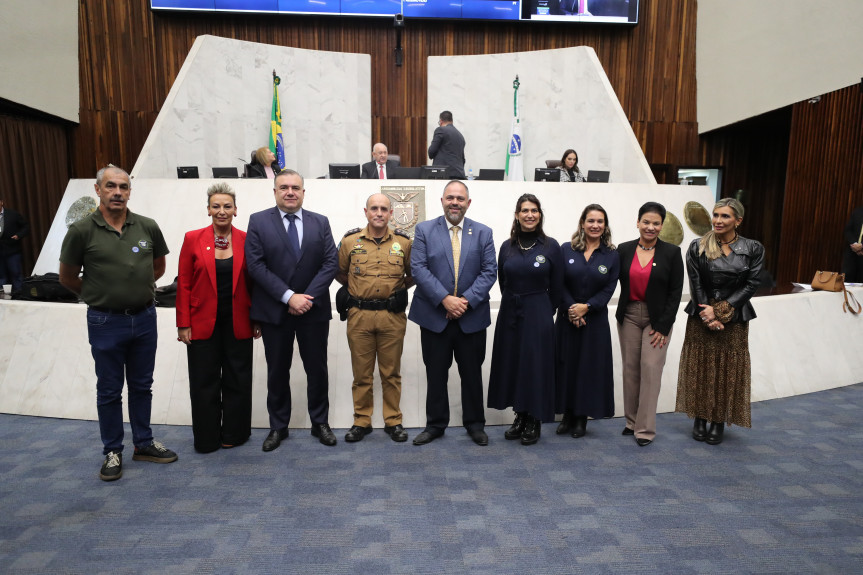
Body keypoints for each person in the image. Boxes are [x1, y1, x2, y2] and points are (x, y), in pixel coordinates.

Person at [58, 166, 177, 482]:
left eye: (123, 187)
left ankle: (144, 443)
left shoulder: (147, 227)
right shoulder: (81, 231)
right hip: (104, 321)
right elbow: (66, 278)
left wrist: (135, 290)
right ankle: (112, 451)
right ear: (98, 190)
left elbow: (159, 267)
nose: (118, 192)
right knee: (109, 390)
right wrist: (100, 295)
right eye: (111, 186)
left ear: (129, 191)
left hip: (144, 318)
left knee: (142, 385)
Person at [245, 169, 339, 450]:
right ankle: (278, 426)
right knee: (277, 370)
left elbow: (330, 263)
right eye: (284, 187)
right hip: (275, 312)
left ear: (303, 192)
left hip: (313, 310)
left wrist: (305, 297)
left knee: (317, 369)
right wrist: (289, 297)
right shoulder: (259, 221)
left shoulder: (319, 222)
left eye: (295, 187)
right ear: (275, 191)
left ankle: (320, 422)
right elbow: (255, 266)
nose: (290, 192)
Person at [409, 180, 497, 446]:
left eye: (460, 198)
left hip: (471, 318)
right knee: (436, 373)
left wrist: (464, 302)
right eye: (450, 198)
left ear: (468, 203)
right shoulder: (424, 229)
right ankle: (435, 424)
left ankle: (474, 424)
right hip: (434, 316)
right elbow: (419, 269)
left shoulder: (483, 232)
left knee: (471, 373)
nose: (455, 202)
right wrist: (445, 300)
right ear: (442, 201)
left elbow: (489, 272)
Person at [176, 182, 260, 453]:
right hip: (202, 322)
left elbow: (255, 283)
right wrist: (183, 322)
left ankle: (234, 434)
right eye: (216, 206)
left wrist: (257, 318)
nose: (221, 211)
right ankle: (207, 438)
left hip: (239, 320)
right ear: (208, 209)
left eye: (227, 206)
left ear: (236, 210)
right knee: (203, 382)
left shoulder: (248, 240)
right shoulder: (192, 239)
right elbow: (184, 284)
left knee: (238, 379)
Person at [676, 197, 763, 446]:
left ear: (738, 220)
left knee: (727, 370)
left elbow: (752, 284)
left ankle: (717, 421)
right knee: (700, 368)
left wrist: (722, 311)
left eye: (725, 216)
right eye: (715, 215)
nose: (718, 220)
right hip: (701, 315)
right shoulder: (697, 246)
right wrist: (707, 313)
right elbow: (696, 283)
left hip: (734, 319)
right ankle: (700, 418)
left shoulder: (753, 248)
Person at [336, 193, 414, 443]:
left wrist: (398, 292)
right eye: (374, 208)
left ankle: (393, 421)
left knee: (391, 373)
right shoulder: (350, 241)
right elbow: (339, 272)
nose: (379, 213)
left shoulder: (404, 243)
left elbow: (413, 274)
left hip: (392, 316)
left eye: (383, 209)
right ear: (366, 212)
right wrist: (358, 291)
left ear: (391, 213)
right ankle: (361, 420)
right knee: (362, 374)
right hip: (359, 315)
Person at [488, 194, 563, 445]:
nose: (529, 215)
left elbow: (558, 287)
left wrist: (543, 311)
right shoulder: (507, 246)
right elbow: (502, 280)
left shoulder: (551, 246)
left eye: (534, 210)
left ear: (540, 214)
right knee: (513, 363)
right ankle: (519, 415)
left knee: (535, 365)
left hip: (539, 310)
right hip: (511, 310)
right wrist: (513, 302)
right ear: (517, 215)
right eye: (524, 210)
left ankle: (534, 419)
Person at [615, 202, 684, 447]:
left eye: (656, 223)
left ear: (662, 226)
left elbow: (676, 292)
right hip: (630, 316)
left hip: (658, 320)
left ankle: (645, 429)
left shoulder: (672, 253)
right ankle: (631, 422)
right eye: (646, 222)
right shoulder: (623, 250)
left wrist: (664, 326)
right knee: (631, 369)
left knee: (651, 369)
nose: (650, 227)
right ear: (637, 222)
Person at [555, 204, 619, 438]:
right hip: (567, 318)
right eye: (591, 220)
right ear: (582, 223)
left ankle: (581, 417)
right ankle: (567, 414)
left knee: (588, 369)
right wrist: (573, 309)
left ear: (605, 226)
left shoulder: (612, 254)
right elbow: (558, 282)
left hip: (595, 322)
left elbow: (609, 288)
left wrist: (587, 307)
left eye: (600, 221)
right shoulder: (566, 249)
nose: (595, 225)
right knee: (567, 366)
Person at [0, 197, 30, 296]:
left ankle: (20, 295)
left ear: (2, 202)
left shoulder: (12, 214)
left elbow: (25, 227)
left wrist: (18, 235)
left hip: (12, 250)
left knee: (16, 274)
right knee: (2, 276)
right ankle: (3, 298)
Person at [428, 111, 467, 179]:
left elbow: (431, 152)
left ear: (441, 121)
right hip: (459, 175)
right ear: (451, 121)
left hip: (443, 175)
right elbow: (463, 159)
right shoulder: (460, 136)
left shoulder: (441, 130)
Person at [842, 205, 863, 283]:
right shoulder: (857, 212)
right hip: (851, 253)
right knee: (846, 281)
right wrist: (854, 244)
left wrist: (861, 246)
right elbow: (848, 230)